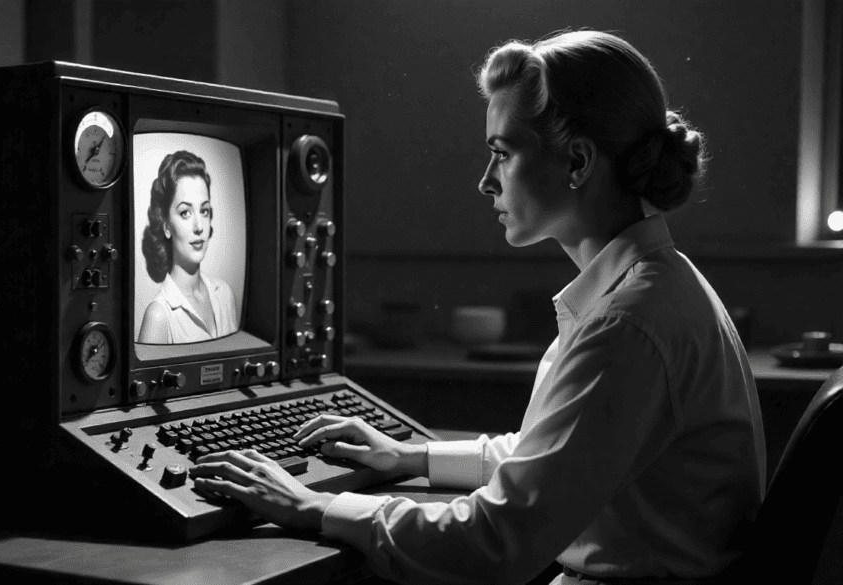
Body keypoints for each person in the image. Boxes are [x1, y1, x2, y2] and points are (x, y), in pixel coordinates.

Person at [188, 30, 766, 585]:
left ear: (578, 162)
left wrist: (314, 504)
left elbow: (497, 541)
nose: (485, 181)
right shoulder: (651, 287)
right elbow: (553, 459)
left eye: (502, 153)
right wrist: (411, 457)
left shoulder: (627, 326)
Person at [138, 150, 238, 344]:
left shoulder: (224, 294)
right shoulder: (159, 316)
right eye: (185, 213)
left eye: (204, 211)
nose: (199, 226)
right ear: (166, 225)